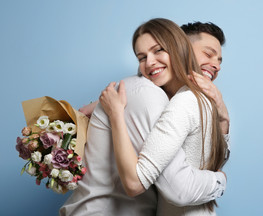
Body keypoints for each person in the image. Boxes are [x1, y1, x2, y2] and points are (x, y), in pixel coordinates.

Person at [60, 20, 229, 216]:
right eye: (142, 57)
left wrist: (223, 119)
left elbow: (205, 160)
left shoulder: (191, 101)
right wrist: (220, 180)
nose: (215, 65)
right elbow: (167, 186)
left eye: (158, 50)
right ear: (184, 48)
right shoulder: (160, 97)